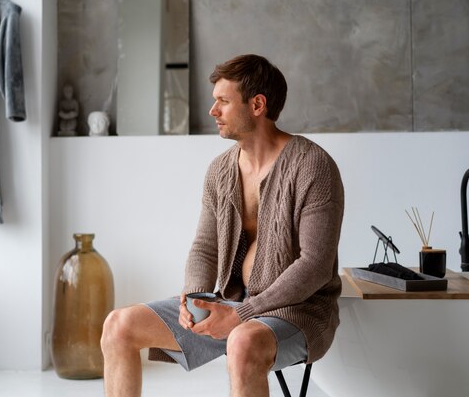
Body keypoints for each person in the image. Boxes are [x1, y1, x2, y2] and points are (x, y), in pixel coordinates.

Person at [101, 54, 345, 397]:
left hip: (297, 312)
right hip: (229, 303)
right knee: (118, 326)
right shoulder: (220, 170)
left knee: (243, 342)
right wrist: (194, 298)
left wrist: (245, 314)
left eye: (223, 102)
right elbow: (205, 247)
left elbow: (316, 265)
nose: (213, 111)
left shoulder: (313, 166)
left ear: (257, 104)